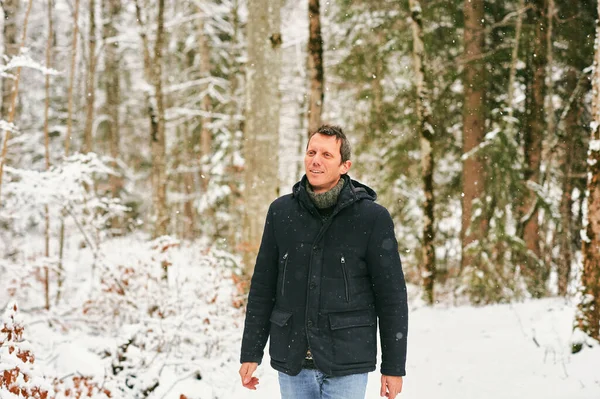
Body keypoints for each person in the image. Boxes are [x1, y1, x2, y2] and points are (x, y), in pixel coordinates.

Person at [239, 124, 408, 399]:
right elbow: (263, 287)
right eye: (311, 152)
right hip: (292, 361)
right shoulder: (281, 213)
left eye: (327, 155)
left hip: (348, 360)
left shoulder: (372, 218)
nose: (315, 160)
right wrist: (251, 353)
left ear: (345, 165)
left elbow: (392, 297)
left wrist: (393, 366)